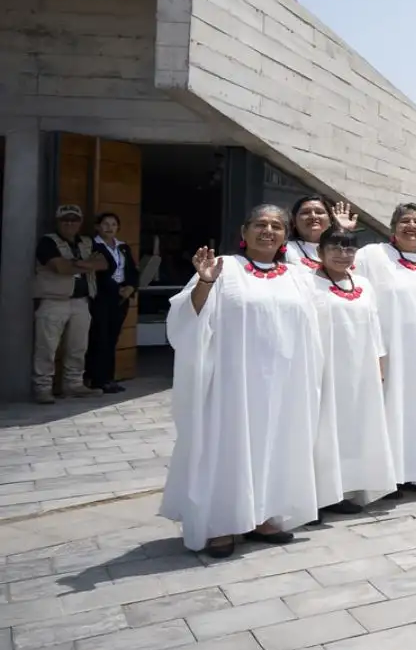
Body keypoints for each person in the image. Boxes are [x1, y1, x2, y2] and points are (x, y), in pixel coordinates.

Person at [161, 205, 320, 557]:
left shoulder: (298, 276)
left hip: (282, 383)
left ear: (285, 236)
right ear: (244, 232)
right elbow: (189, 317)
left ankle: (262, 516)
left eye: (277, 226)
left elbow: (311, 331)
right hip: (232, 382)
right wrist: (204, 282)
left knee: (273, 446)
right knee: (227, 448)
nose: (268, 231)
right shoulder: (225, 268)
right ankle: (221, 524)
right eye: (260, 224)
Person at [356, 203, 416, 492]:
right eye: (404, 221)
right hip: (391, 350)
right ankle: (388, 478)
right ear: (392, 226)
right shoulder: (371, 255)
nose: (411, 225)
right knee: (390, 411)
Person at [308, 225, 396, 514]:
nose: (342, 254)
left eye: (348, 248)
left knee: (351, 430)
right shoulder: (307, 284)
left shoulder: (363, 284)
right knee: (321, 430)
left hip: (360, 371)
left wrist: (379, 363)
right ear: (319, 252)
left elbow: (374, 325)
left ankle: (345, 489)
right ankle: (316, 496)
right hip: (323, 370)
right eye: (334, 247)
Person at [33, 204, 107, 403]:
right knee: (46, 348)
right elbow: (60, 267)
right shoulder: (47, 242)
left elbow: (104, 263)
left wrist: (76, 264)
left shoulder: (86, 241)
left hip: (81, 302)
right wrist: (86, 263)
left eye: (74, 220)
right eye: (65, 220)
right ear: (58, 222)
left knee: (78, 347)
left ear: (80, 222)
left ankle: (73, 384)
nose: (70, 223)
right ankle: (43, 387)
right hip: (53, 301)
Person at [85, 211, 139, 395]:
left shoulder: (123, 247)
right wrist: (116, 289)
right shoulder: (93, 245)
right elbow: (97, 274)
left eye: (114, 224)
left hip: (121, 299)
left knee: (112, 338)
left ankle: (109, 378)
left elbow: (132, 270)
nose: (110, 228)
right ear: (97, 227)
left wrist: (130, 287)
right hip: (102, 298)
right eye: (105, 224)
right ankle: (96, 379)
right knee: (99, 337)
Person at [285, 195, 358, 271]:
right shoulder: (285, 249)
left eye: (319, 212)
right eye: (305, 212)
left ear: (330, 220)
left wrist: (343, 232)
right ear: (294, 221)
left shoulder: (350, 250)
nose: (313, 216)